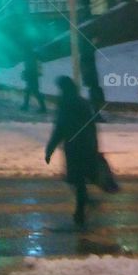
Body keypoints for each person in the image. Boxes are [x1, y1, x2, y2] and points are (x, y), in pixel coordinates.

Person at [45, 75, 100, 229]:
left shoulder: (64, 104)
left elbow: (59, 129)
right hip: (86, 145)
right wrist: (94, 145)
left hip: (73, 147)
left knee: (77, 180)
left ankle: (81, 212)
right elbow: (92, 127)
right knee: (78, 179)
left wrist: (50, 148)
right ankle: (83, 206)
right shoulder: (82, 102)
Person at [21, 46, 47, 113]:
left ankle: (43, 108)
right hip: (33, 76)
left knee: (34, 92)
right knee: (30, 91)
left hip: (32, 76)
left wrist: (26, 73)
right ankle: (26, 106)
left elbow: (30, 67)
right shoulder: (33, 55)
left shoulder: (29, 56)